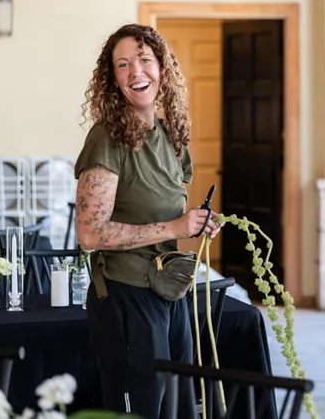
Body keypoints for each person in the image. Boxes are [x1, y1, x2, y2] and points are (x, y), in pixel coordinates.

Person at [74, 23, 221, 417]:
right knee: (142, 409)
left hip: (169, 292)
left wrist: (197, 222)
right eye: (123, 65)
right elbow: (89, 234)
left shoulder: (172, 136)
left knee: (180, 406)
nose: (135, 72)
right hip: (126, 295)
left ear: (162, 68)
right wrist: (175, 228)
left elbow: (167, 213)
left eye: (144, 60)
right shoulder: (106, 138)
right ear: (113, 79)